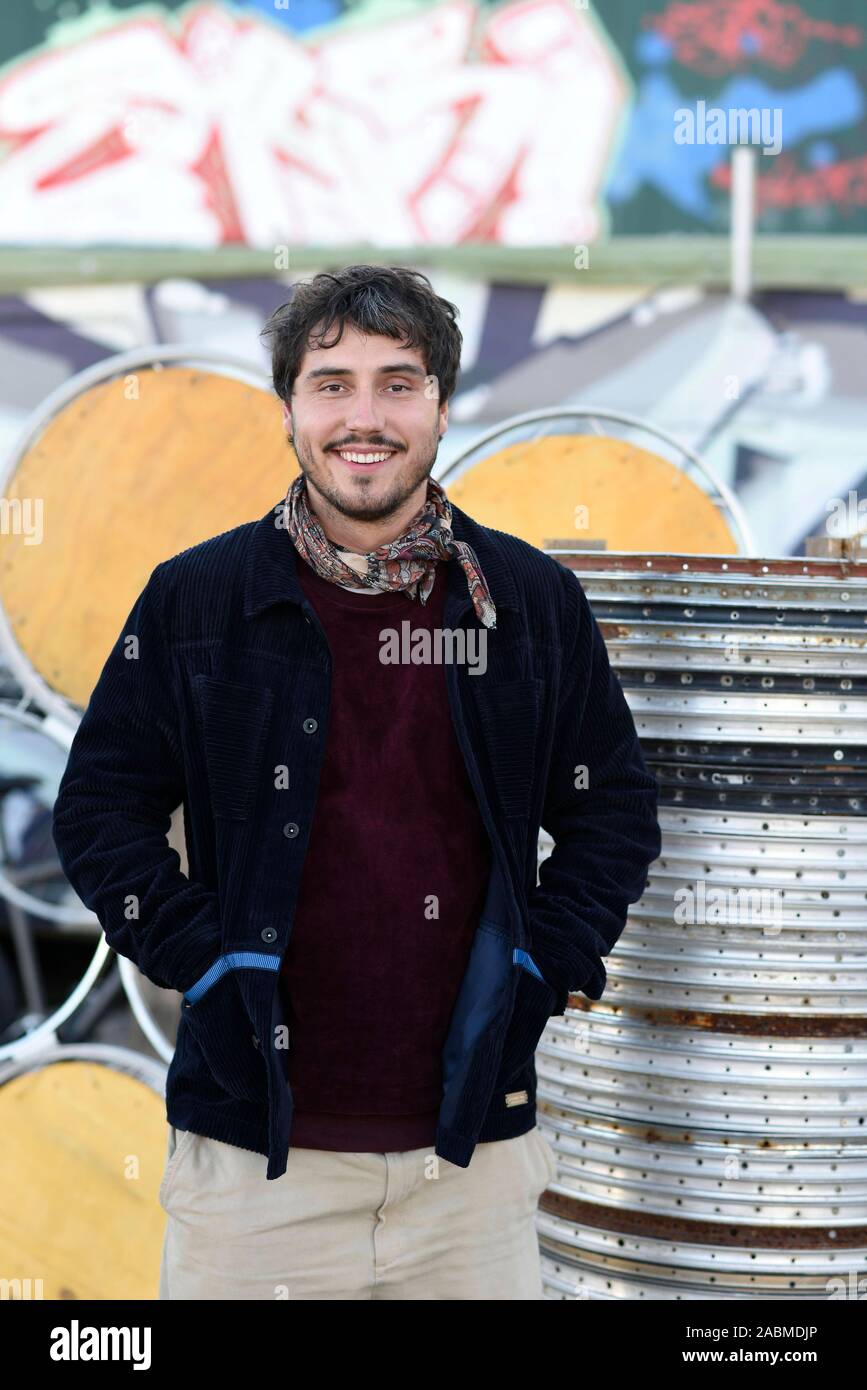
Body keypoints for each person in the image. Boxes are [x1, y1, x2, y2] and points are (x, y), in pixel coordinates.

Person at [52, 264, 661, 1300]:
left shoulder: (528, 602)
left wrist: (545, 962)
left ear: (440, 404)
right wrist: (202, 962)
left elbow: (614, 810)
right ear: (289, 406)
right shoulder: (200, 599)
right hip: (255, 1172)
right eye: (332, 384)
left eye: (398, 382)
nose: (364, 417)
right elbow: (99, 809)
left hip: (470, 1170)